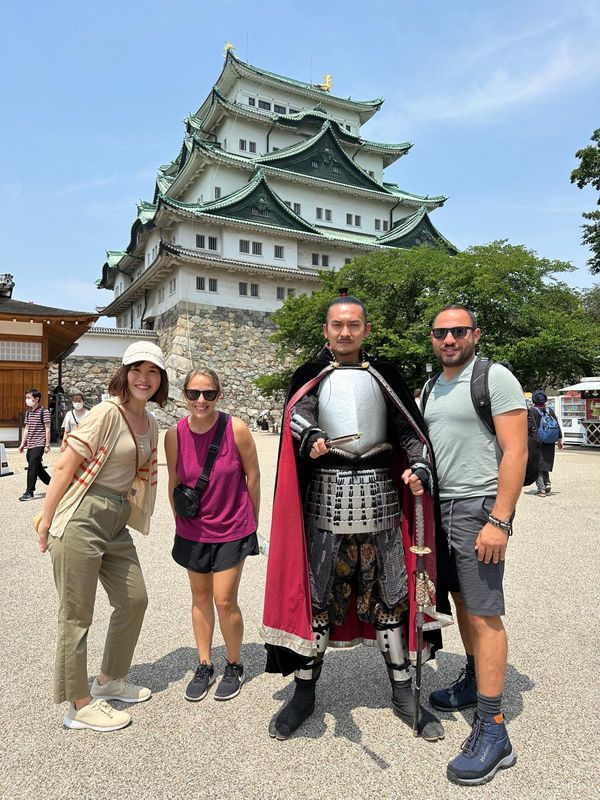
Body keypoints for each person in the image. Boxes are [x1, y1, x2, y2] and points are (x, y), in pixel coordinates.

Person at [262, 295, 449, 742]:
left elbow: (410, 430)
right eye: (337, 325)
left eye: (353, 325)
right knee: (320, 599)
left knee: (391, 597)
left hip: (382, 498)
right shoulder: (309, 376)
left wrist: (420, 467)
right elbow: (297, 416)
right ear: (326, 330)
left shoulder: (385, 376)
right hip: (324, 500)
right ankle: (305, 693)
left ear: (365, 329)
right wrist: (310, 434)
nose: (345, 333)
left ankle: (403, 691)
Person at [36, 342, 168, 732]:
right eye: (136, 370)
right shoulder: (106, 413)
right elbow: (64, 466)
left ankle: (110, 679)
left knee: (134, 599)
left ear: (161, 380)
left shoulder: (151, 422)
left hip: (116, 521)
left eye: (153, 372)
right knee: (76, 614)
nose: (144, 379)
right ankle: (78, 704)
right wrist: (46, 521)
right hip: (82, 514)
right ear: (123, 373)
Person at [422, 305, 527, 785]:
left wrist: (499, 520)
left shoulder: (494, 377)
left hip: (478, 508)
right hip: (441, 507)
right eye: (442, 332)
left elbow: (517, 451)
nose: (449, 339)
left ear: (475, 334)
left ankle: (493, 727)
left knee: (485, 611)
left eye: (458, 331)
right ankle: (472, 678)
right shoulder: (432, 386)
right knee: (463, 602)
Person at [165, 368, 260, 702]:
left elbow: (254, 476)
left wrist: (252, 522)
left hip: (232, 526)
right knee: (200, 598)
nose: (200, 400)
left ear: (219, 395)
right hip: (193, 530)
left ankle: (234, 663)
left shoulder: (237, 428)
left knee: (224, 599)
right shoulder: (174, 434)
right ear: (184, 396)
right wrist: (179, 523)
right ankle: (204, 663)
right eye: (193, 394)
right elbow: (174, 483)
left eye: (208, 394)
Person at [18, 389, 51, 501]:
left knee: (32, 467)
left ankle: (29, 492)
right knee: (38, 468)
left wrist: (47, 445)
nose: (27, 400)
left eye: (29, 397)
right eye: (26, 398)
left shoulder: (44, 412)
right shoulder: (28, 412)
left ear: (36, 399)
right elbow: (27, 429)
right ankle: (53, 485)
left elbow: (47, 429)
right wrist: (22, 443)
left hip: (39, 443)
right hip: (30, 444)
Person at [531, 390, 563, 496]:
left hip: (537, 442)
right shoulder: (550, 410)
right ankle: (547, 483)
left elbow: (528, 428)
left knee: (537, 465)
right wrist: (559, 439)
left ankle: (541, 489)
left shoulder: (532, 411)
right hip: (549, 442)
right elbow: (557, 425)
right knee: (545, 463)